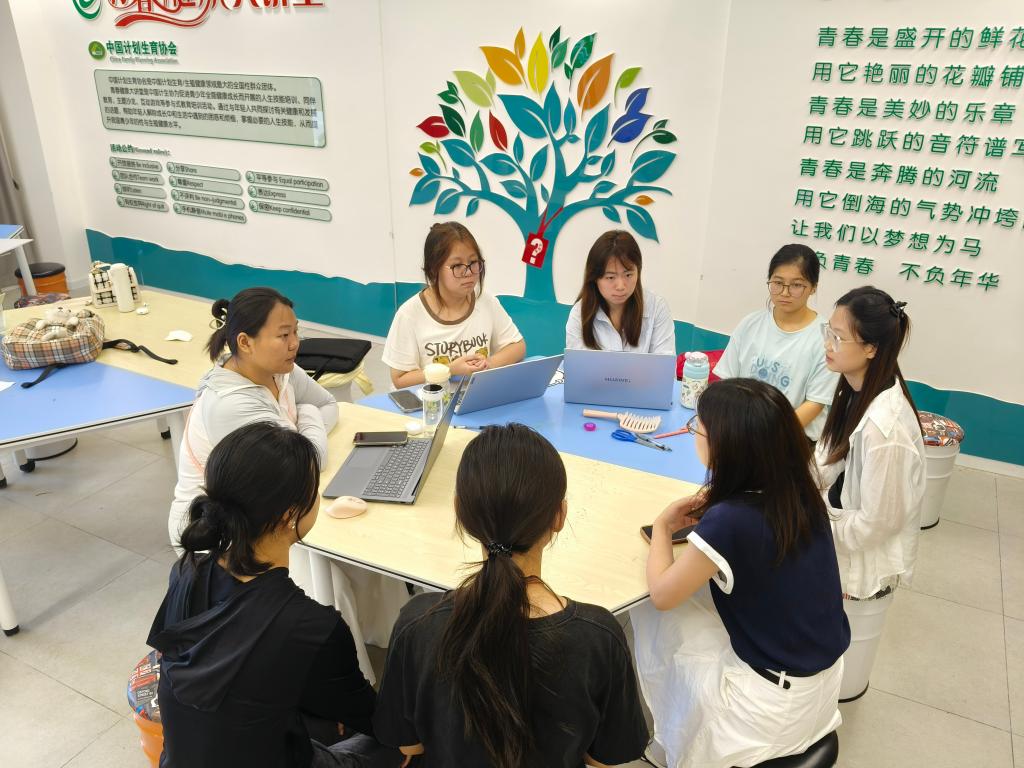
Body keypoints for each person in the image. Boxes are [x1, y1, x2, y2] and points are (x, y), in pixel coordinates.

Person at [373, 424, 649, 768]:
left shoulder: (418, 622)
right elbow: (603, 758)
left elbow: (410, 746)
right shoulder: (599, 636)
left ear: (461, 512)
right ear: (559, 516)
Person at [148, 422, 399, 768]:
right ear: (289, 515)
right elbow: (372, 718)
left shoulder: (186, 572)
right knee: (399, 746)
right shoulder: (312, 626)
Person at [633, 378, 850, 768]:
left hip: (767, 711)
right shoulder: (802, 491)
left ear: (725, 445)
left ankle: (666, 745)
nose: (693, 433)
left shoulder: (729, 521)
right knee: (700, 602)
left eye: (697, 427)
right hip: (821, 687)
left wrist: (663, 527)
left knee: (651, 612)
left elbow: (663, 595)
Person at [815, 286, 926, 701]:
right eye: (828, 331)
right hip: (842, 529)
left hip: (861, 560)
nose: (828, 344)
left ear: (871, 349)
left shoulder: (886, 429)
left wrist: (815, 529)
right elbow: (826, 459)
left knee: (843, 660)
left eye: (838, 337)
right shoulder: (853, 387)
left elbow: (878, 524)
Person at [168, 287, 337, 548]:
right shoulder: (231, 404)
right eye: (283, 335)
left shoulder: (278, 370)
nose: (295, 343)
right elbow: (309, 462)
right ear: (245, 342)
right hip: (214, 535)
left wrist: (303, 425)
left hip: (265, 506)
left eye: (296, 331)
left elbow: (328, 403)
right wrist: (308, 412)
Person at [714, 243, 838, 442]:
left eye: (796, 285)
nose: (785, 292)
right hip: (742, 432)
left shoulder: (826, 337)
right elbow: (727, 382)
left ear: (813, 287)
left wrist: (767, 434)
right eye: (778, 283)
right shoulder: (750, 324)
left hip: (793, 439)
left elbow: (815, 403)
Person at [383, 222, 525, 388]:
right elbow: (400, 379)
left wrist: (488, 364)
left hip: (475, 396)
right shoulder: (409, 314)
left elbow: (517, 346)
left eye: (473, 262)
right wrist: (449, 370)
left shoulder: (485, 301)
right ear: (434, 269)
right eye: (457, 266)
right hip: (431, 401)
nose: (469, 272)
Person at [565, 230, 675, 354]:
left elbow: (664, 362)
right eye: (610, 277)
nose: (621, 286)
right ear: (595, 278)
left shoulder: (657, 308)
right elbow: (577, 364)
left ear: (638, 272)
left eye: (628, 275)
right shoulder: (579, 315)